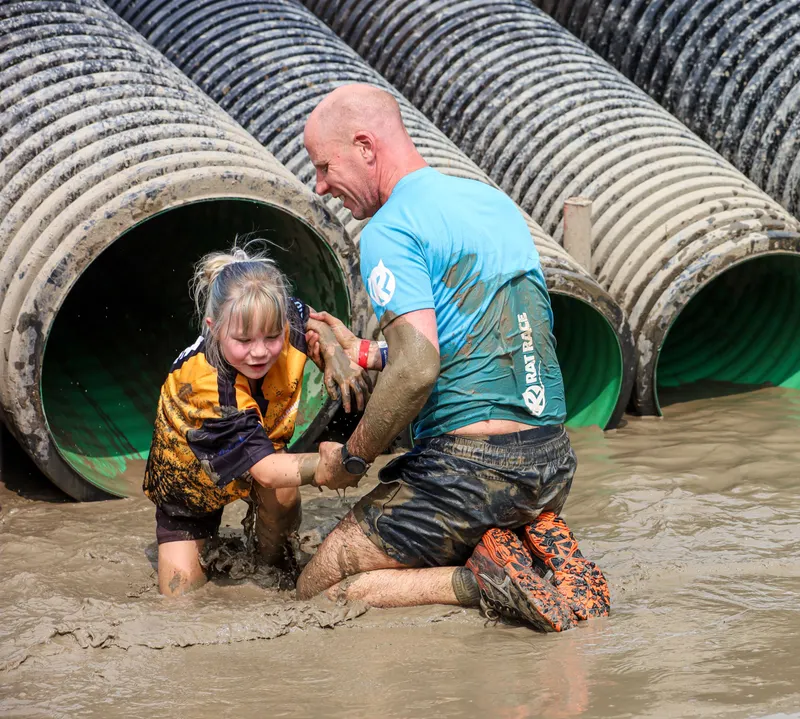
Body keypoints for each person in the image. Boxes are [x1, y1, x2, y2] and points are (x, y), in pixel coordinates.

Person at [295, 83, 609, 632]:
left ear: (365, 147)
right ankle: (529, 551)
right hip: (552, 461)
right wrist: (366, 352)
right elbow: (486, 339)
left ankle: (477, 581)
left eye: (324, 167)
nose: (320, 186)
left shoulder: (389, 229)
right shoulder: (491, 203)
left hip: (470, 470)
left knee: (318, 591)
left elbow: (418, 369)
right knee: (440, 529)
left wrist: (351, 459)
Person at [143, 246, 370, 597]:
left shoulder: (276, 315)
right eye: (244, 340)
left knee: (283, 496)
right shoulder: (207, 386)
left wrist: (331, 348)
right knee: (181, 598)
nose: (260, 351)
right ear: (214, 329)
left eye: (272, 337)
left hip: (259, 441)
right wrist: (332, 465)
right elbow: (265, 470)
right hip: (191, 482)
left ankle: (271, 566)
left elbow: (307, 317)